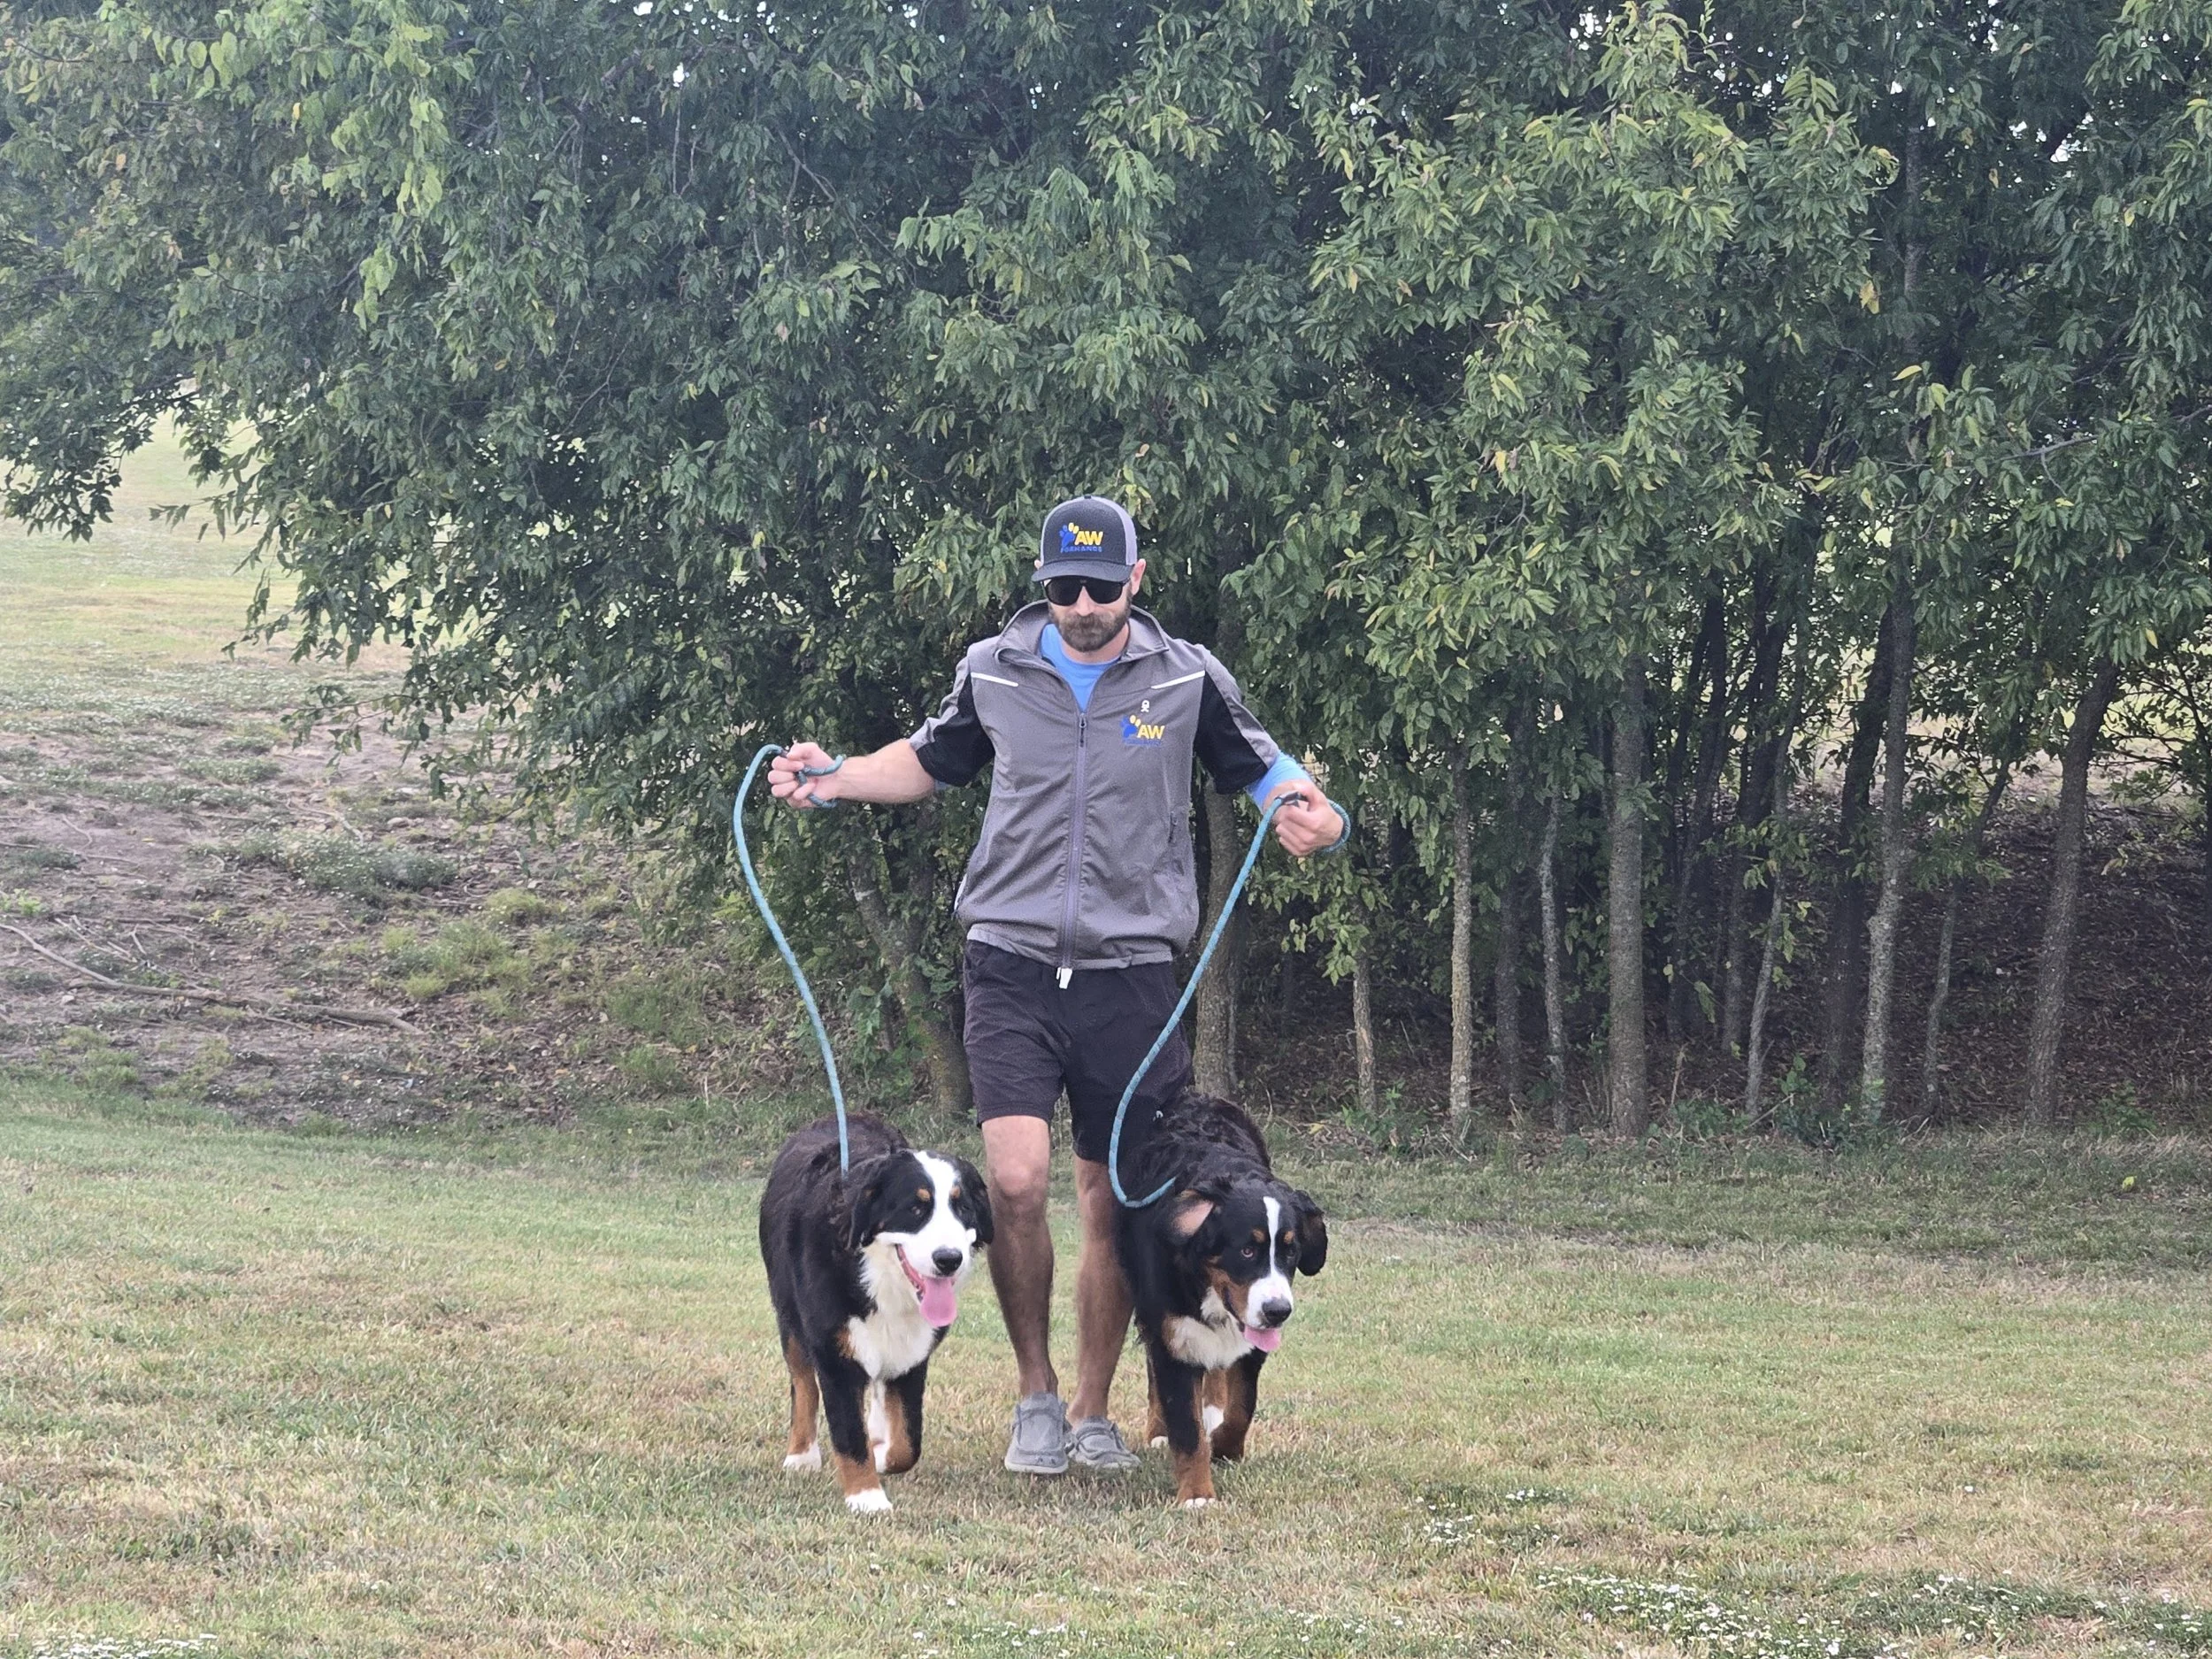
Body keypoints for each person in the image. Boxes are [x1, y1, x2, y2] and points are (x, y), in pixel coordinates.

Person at [769, 495, 1343, 1476]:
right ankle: (1033, 1398)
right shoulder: (996, 668)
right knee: (1021, 1183)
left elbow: (1274, 774)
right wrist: (836, 777)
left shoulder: (1185, 678)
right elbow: (926, 760)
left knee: (1115, 1201)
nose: (1081, 604)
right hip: (1011, 964)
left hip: (1133, 976)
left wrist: (1315, 818)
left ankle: (1090, 1410)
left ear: (1135, 580)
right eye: (1062, 587)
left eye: (1099, 585)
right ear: (1044, 587)